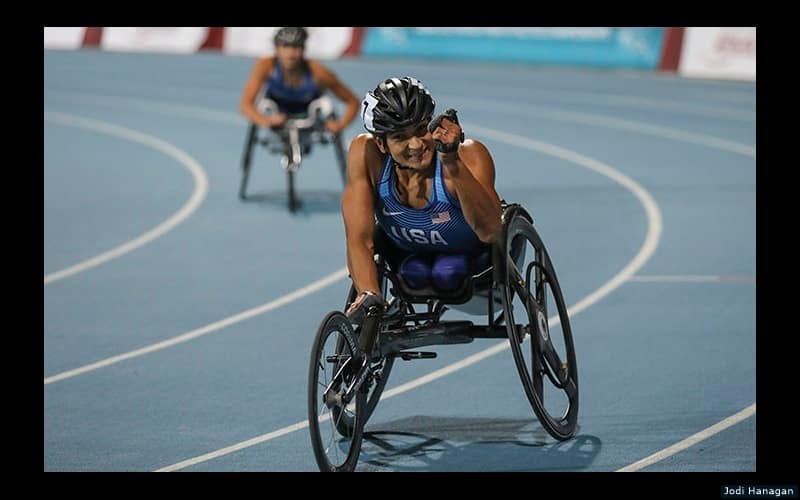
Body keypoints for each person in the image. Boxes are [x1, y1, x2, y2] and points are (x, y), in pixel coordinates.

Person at [342, 76, 503, 328]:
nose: (416, 145)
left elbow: (490, 231)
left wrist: (452, 162)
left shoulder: (469, 154)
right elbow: (358, 238)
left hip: (473, 262)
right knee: (416, 272)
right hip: (406, 259)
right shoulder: (366, 155)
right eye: (400, 137)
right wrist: (369, 294)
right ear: (381, 143)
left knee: (447, 272)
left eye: (420, 129)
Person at [239, 27, 360, 135]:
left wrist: (340, 125)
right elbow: (246, 105)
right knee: (262, 106)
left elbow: (352, 101)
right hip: (277, 111)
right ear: (277, 49)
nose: (291, 54)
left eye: (296, 47)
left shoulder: (319, 72)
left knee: (326, 106)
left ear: (303, 49)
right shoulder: (266, 66)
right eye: (285, 47)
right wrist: (267, 121)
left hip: (307, 111)